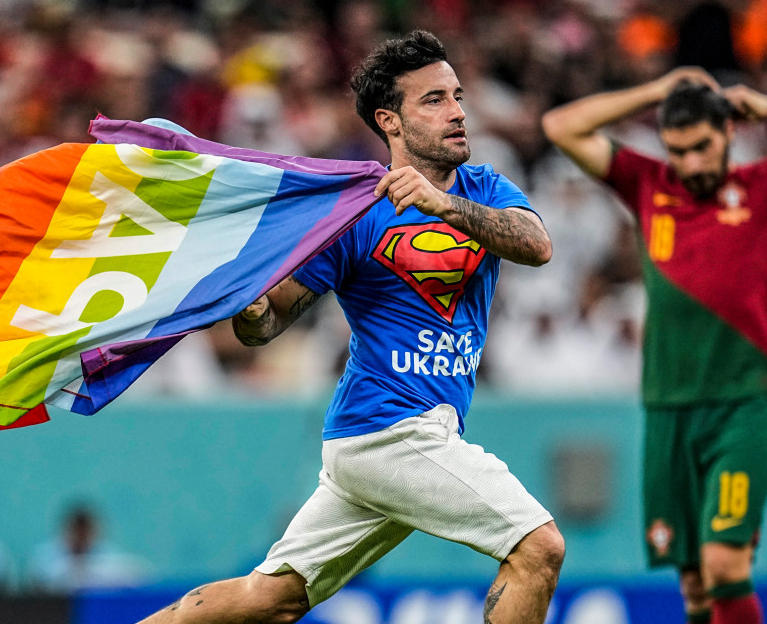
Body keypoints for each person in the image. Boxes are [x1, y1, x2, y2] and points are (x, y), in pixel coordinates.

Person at [140, 30, 562, 624]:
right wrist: (249, 303)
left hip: (385, 439)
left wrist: (444, 206)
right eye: (434, 100)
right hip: (390, 430)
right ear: (390, 122)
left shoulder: (485, 189)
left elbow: (536, 245)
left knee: (273, 598)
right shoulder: (354, 213)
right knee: (538, 547)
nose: (459, 112)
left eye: (458, 96)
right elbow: (264, 326)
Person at [542, 68, 767, 624]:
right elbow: (561, 126)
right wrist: (659, 90)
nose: (693, 163)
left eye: (703, 146)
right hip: (667, 409)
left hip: (744, 405)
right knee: (696, 587)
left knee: (725, 563)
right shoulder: (647, 182)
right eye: (679, 150)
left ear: (729, 133)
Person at [27, 504, 150, 593]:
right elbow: (38, 582)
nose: (81, 536)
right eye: (77, 531)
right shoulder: (44, 557)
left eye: (85, 531)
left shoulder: (106, 557)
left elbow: (139, 574)